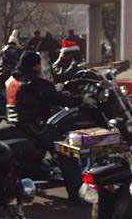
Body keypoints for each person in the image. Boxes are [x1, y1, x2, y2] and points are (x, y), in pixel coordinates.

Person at [5, 51, 95, 203]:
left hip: (18, 125)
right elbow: (58, 98)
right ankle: (77, 195)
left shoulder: (12, 80)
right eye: (39, 64)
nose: (41, 67)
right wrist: (81, 100)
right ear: (35, 66)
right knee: (68, 152)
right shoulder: (36, 83)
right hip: (36, 129)